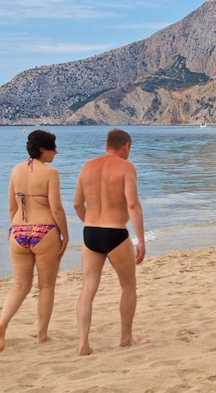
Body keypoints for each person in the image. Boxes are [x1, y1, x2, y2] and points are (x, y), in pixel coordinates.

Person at [0, 130, 70, 354]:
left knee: (20, 285)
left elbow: (11, 207)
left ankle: (3, 324)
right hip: (44, 231)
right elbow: (56, 208)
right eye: (53, 147)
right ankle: (42, 336)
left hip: (18, 232)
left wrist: (17, 229)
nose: (56, 152)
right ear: (42, 149)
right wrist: (65, 235)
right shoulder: (51, 173)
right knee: (46, 286)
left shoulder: (15, 170)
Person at [74, 129, 147, 355]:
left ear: (107, 145)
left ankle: (83, 342)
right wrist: (140, 239)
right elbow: (132, 204)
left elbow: (77, 204)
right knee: (128, 286)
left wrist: (91, 223)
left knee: (88, 288)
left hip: (90, 233)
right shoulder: (126, 167)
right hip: (115, 233)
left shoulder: (87, 166)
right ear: (126, 146)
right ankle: (125, 338)